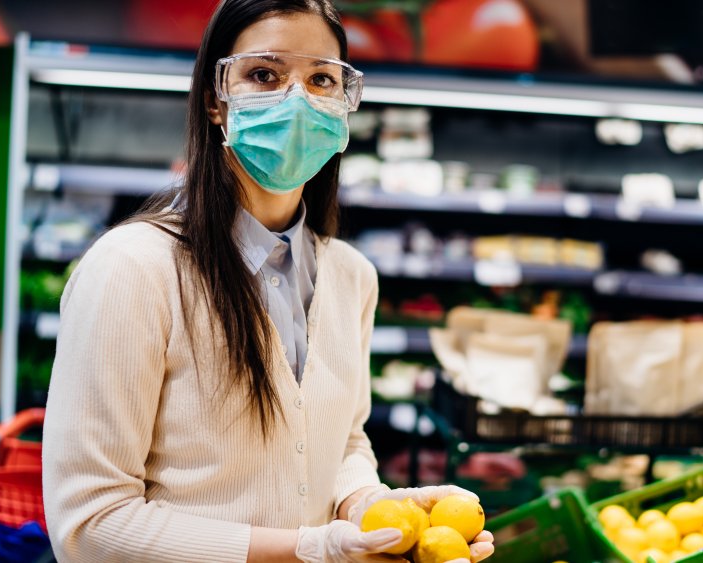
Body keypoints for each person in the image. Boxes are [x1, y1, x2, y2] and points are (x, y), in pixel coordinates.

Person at [40, 0, 496, 561]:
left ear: (344, 103)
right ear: (215, 98)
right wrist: (307, 548)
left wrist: (375, 511)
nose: (298, 100)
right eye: (264, 74)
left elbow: (344, 442)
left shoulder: (351, 277)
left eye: (322, 79)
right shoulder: (133, 269)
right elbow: (90, 526)